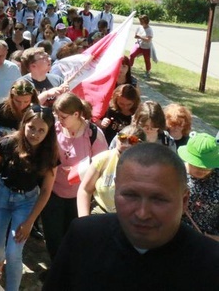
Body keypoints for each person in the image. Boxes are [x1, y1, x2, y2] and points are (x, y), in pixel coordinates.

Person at [43, 143, 219, 290]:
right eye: (130, 195)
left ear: (184, 201)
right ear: (115, 190)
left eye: (158, 199)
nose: (142, 213)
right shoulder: (84, 236)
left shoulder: (211, 264)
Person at [0, 107, 58, 290]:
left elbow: (47, 190)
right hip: (1, 195)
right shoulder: (10, 142)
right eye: (31, 127)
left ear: (48, 132)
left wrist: (30, 221)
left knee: (14, 253)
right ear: (24, 124)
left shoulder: (50, 154)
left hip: (26, 202)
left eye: (41, 130)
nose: (35, 134)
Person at [41, 92, 108, 260]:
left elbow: (103, 164)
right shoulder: (54, 128)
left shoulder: (93, 134)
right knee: (52, 236)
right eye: (58, 116)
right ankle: (56, 268)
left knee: (71, 236)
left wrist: (82, 169)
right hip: (53, 192)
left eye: (63, 117)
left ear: (76, 114)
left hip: (79, 196)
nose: (59, 120)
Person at [77, 125, 146, 216]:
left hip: (130, 216)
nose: (124, 143)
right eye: (122, 137)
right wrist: (83, 219)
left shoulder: (146, 168)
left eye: (132, 140)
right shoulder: (103, 159)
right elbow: (85, 190)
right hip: (100, 212)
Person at [179, 133, 219, 240]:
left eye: (208, 166)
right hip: (176, 234)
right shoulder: (176, 173)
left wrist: (214, 238)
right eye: (198, 165)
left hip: (207, 240)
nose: (203, 170)